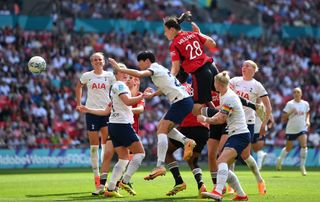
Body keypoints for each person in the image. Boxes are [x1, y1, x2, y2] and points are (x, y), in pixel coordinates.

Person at [108, 51, 196, 181]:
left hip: (181, 101)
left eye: (140, 62)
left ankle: (160, 165)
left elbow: (139, 74)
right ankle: (186, 141)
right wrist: (153, 95)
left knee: (162, 130)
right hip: (183, 100)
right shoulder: (162, 70)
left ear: (147, 61)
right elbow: (167, 87)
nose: (140, 65)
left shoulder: (154, 68)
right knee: (162, 126)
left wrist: (121, 69)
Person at [80, 63, 150, 197]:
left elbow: (106, 110)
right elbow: (128, 102)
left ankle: (110, 188)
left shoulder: (115, 88)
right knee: (140, 153)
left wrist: (88, 109)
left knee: (123, 158)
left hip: (114, 125)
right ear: (116, 75)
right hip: (122, 125)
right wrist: (143, 96)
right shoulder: (120, 86)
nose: (124, 74)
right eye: (120, 71)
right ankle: (125, 180)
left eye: (125, 72)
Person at [197, 71, 249, 201]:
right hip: (236, 134)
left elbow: (222, 119)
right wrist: (209, 118)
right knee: (223, 164)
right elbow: (220, 113)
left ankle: (218, 191)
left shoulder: (229, 97)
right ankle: (242, 195)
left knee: (220, 161)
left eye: (214, 82)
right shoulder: (224, 94)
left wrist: (205, 119)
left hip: (240, 135)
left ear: (217, 83)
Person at [165, 69, 209, 197]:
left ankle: (178, 181)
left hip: (187, 127)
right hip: (203, 128)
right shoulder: (197, 89)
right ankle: (201, 184)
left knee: (168, 152)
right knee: (192, 160)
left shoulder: (177, 89)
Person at [163, 11, 219, 113]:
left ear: (171, 30)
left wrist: (167, 80)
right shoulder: (193, 34)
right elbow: (213, 44)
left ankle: (222, 119)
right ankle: (223, 117)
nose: (164, 33)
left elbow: (175, 68)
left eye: (165, 31)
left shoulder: (174, 45)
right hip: (212, 67)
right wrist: (200, 33)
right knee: (223, 94)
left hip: (200, 73)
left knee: (196, 110)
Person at [229, 60, 271, 194]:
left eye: (247, 65)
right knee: (229, 153)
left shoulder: (257, 85)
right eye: (243, 65)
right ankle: (231, 185)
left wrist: (264, 124)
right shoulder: (234, 81)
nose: (244, 67)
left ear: (254, 69)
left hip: (248, 123)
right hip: (232, 121)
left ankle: (259, 179)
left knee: (246, 155)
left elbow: (267, 107)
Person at [75, 52, 115, 192]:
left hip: (106, 113)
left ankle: (103, 180)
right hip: (91, 112)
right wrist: (79, 103)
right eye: (95, 60)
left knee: (105, 145)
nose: (98, 61)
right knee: (93, 146)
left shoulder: (110, 76)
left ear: (103, 62)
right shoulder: (87, 76)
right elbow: (78, 87)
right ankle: (96, 177)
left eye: (100, 59)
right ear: (92, 62)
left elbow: (117, 90)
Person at [276, 87, 310, 176]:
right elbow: (283, 117)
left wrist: (308, 121)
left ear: (301, 93)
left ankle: (302, 167)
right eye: (294, 92)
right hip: (291, 129)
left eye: (298, 92)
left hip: (302, 128)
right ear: (293, 94)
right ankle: (280, 160)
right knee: (288, 148)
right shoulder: (290, 104)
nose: (296, 93)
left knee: (304, 145)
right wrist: (291, 112)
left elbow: (308, 113)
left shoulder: (305, 104)